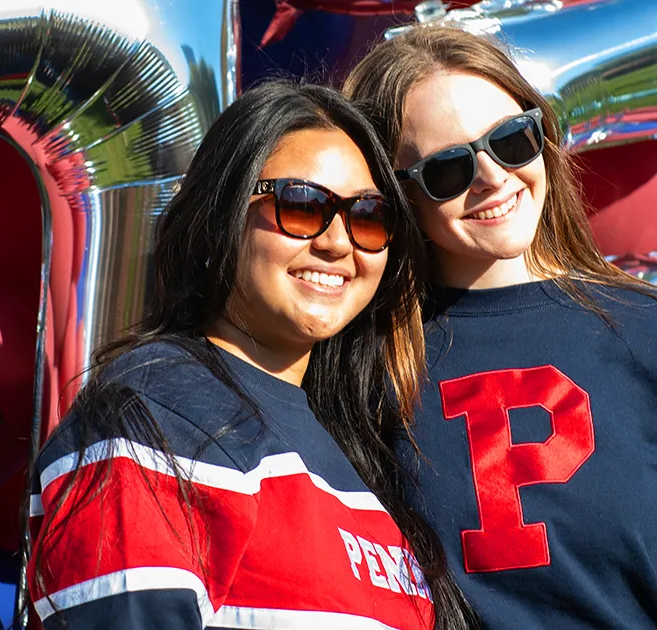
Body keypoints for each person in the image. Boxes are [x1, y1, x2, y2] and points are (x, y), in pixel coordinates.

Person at [344, 26, 657, 630]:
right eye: (447, 169)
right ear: (395, 194)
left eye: (513, 140)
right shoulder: (359, 360)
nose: (492, 176)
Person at [27, 80, 475, 630]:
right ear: (223, 211)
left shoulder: (361, 451)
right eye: (302, 204)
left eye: (367, 215)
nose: (337, 242)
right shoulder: (153, 412)